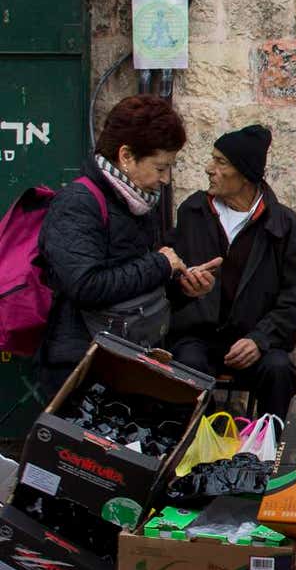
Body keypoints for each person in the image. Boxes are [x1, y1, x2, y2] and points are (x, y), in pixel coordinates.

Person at [35, 96, 214, 399]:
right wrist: (160, 264)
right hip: (80, 365)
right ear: (126, 156)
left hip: (125, 359)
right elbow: (85, 285)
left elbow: (134, 290)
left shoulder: (138, 202)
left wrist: (182, 288)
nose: (165, 179)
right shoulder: (78, 203)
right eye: (160, 167)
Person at [167, 125, 296, 418]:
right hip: (198, 338)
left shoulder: (283, 225)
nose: (209, 169)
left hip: (255, 339)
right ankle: (196, 443)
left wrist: (260, 339)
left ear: (245, 174)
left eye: (220, 162)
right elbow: (170, 274)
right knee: (186, 368)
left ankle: (272, 444)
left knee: (279, 370)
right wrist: (184, 283)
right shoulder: (193, 211)